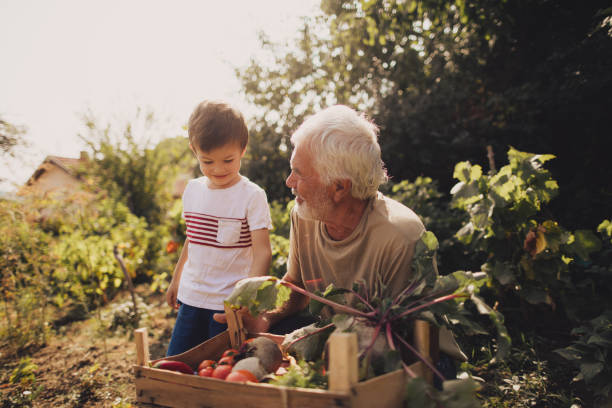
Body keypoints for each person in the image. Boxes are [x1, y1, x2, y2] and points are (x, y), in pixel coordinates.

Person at [165, 100, 272, 356]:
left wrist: (247, 300)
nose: (218, 169)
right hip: (191, 298)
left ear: (243, 149)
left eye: (228, 160)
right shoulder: (192, 191)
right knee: (178, 363)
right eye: (208, 161)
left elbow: (263, 253)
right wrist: (176, 279)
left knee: (220, 368)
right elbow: (193, 238)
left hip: (227, 306)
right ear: (194, 150)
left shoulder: (251, 196)